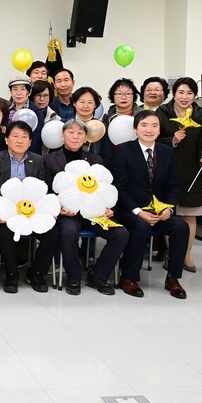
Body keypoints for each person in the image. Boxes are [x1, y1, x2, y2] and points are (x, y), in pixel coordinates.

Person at [111, 110, 189, 299]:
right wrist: (138, 212)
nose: (149, 129)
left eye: (154, 125)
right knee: (141, 227)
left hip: (159, 210)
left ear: (160, 129)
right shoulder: (123, 150)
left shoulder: (167, 152)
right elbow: (120, 187)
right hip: (131, 210)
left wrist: (168, 208)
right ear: (136, 129)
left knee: (181, 227)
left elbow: (173, 184)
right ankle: (129, 277)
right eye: (144, 125)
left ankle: (173, 277)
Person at [45, 119, 128, 296]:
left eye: (80, 133)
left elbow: (105, 186)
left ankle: (98, 275)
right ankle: (73, 277)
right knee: (68, 232)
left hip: (94, 212)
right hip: (68, 213)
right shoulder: (49, 160)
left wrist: (107, 207)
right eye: (71, 132)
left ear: (85, 138)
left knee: (120, 233)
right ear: (62, 136)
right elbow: (46, 189)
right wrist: (57, 207)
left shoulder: (95, 160)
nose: (75, 136)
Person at [0, 121, 57, 293]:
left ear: (30, 142)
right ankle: (12, 274)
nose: (20, 141)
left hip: (32, 212)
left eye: (24, 137)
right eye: (15, 136)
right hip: (6, 211)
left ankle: (36, 272)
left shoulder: (38, 160)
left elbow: (43, 191)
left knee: (53, 230)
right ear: (7, 139)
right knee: (4, 231)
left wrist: (49, 212)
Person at [156, 77, 202, 273]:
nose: (184, 97)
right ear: (173, 94)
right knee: (170, 216)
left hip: (192, 172)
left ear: (195, 95)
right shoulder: (162, 113)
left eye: (189, 93)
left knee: (189, 216)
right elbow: (152, 138)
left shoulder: (201, 115)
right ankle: (174, 255)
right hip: (167, 170)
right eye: (181, 92)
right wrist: (173, 140)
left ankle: (186, 257)